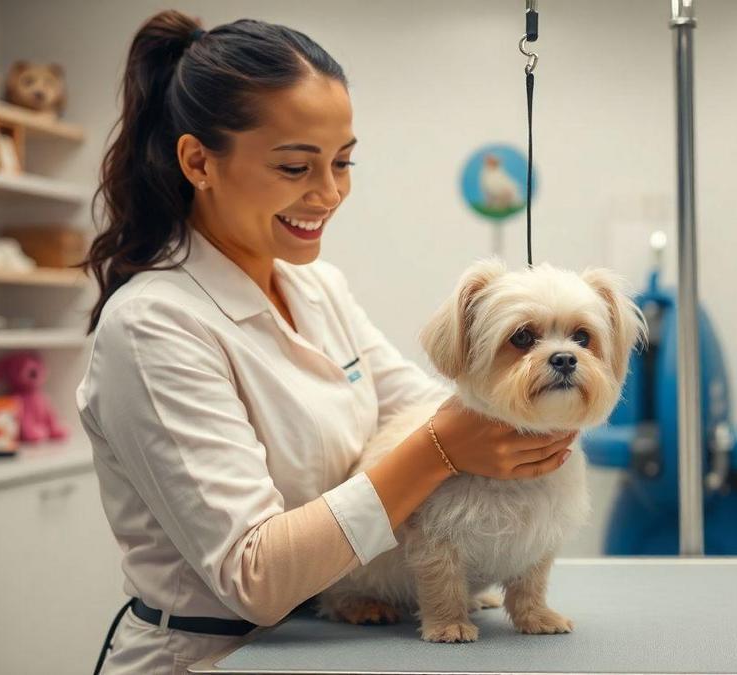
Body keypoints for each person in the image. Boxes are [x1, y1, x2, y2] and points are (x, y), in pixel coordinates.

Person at [77, 10, 577, 674]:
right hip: (207, 653)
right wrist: (438, 450)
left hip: (327, 639)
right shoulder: (152, 326)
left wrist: (529, 394)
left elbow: (425, 403)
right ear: (198, 160)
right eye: (295, 166)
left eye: (343, 161)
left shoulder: (318, 289)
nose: (330, 192)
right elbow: (252, 575)